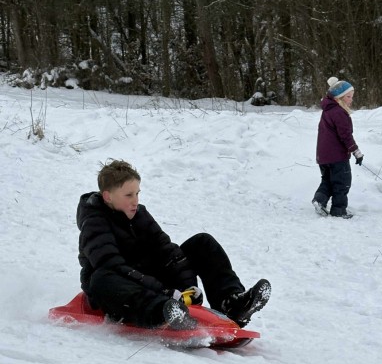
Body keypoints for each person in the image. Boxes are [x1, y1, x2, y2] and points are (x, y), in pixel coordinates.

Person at [77, 160, 271, 330]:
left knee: (202, 242)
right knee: (102, 278)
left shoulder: (140, 214)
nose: (135, 201)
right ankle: (162, 313)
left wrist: (188, 288)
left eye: (137, 193)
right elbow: (113, 266)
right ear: (108, 197)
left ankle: (231, 303)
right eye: (129, 195)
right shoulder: (94, 223)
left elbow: (167, 252)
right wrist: (165, 293)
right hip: (121, 292)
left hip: (155, 286)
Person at [312, 77, 364, 219]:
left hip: (323, 156)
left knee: (328, 180)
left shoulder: (328, 110)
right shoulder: (339, 112)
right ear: (339, 97)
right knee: (342, 182)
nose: (351, 100)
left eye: (352, 96)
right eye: (348, 97)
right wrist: (356, 151)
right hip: (337, 157)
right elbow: (345, 135)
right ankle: (339, 210)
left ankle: (319, 200)